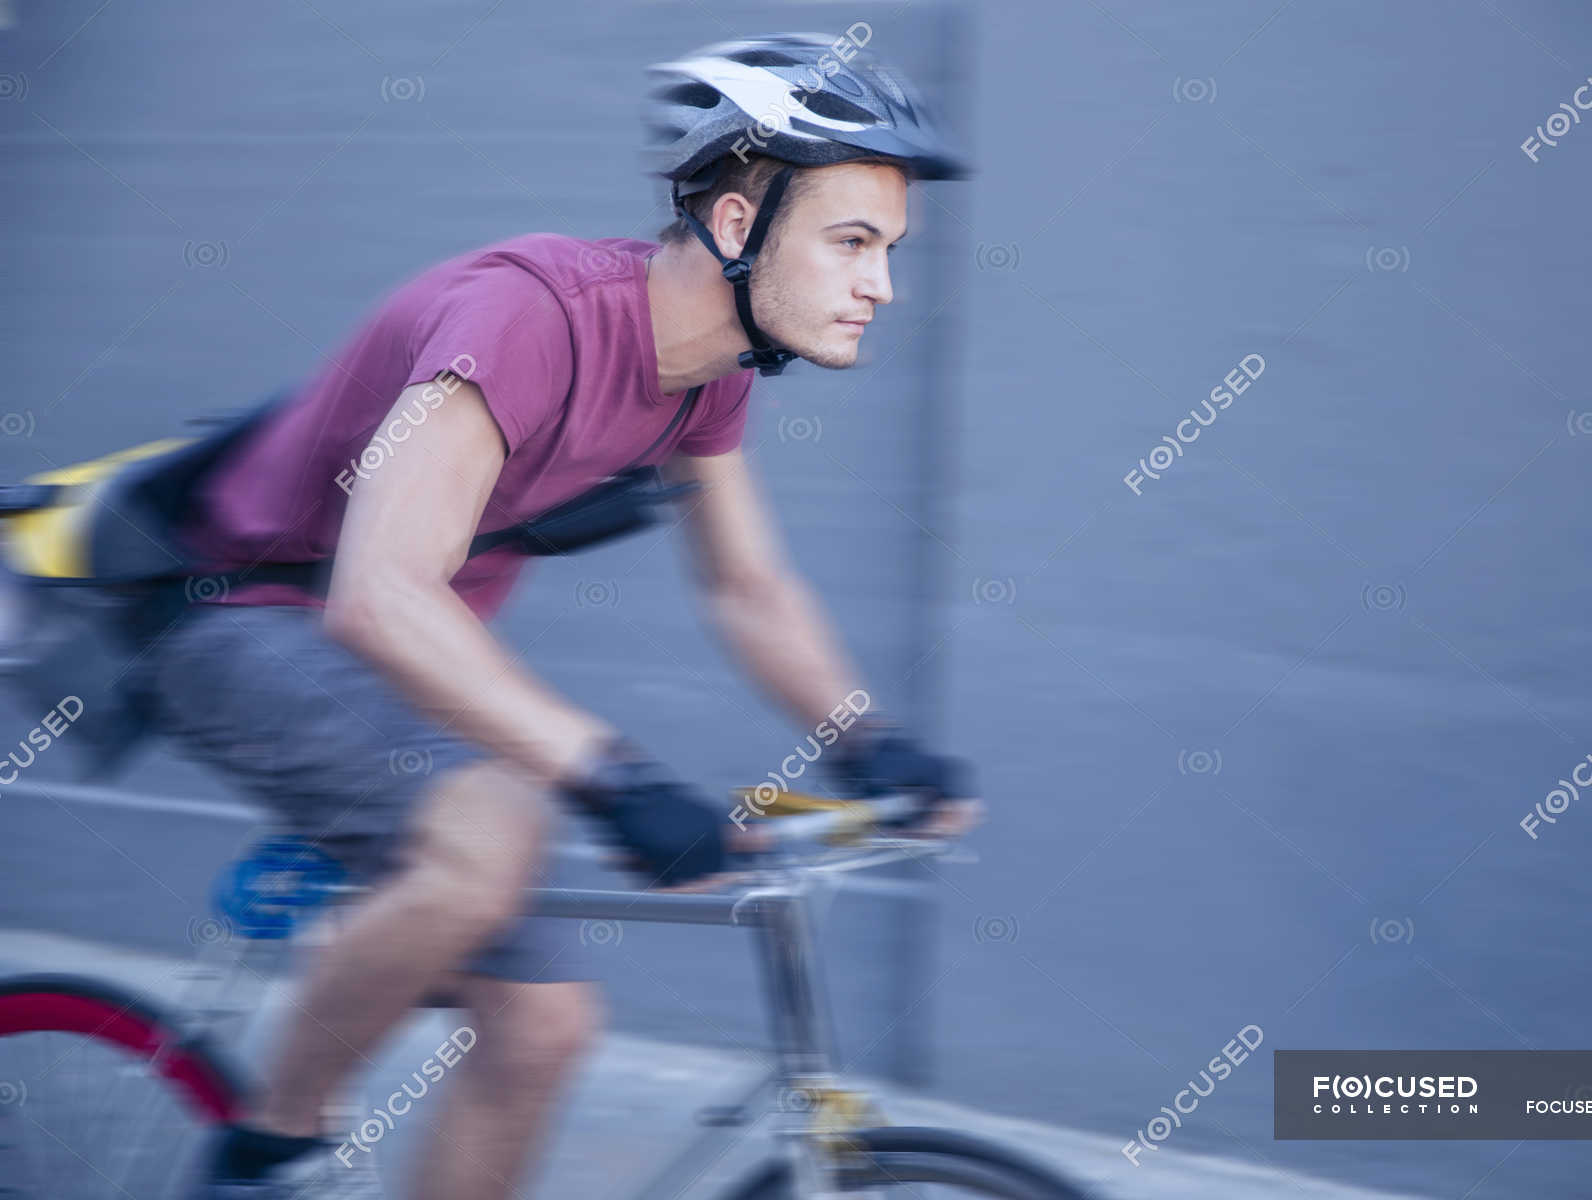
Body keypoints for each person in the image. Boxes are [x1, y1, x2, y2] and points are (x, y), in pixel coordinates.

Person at [163, 32, 981, 1200]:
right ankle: (263, 1154)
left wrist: (868, 739)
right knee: (498, 828)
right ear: (739, 226)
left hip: (394, 667)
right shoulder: (525, 320)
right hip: (243, 617)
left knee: (542, 1032)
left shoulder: (710, 371)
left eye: (889, 249)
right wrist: (614, 776)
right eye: (853, 242)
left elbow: (746, 587)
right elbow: (381, 591)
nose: (880, 285)